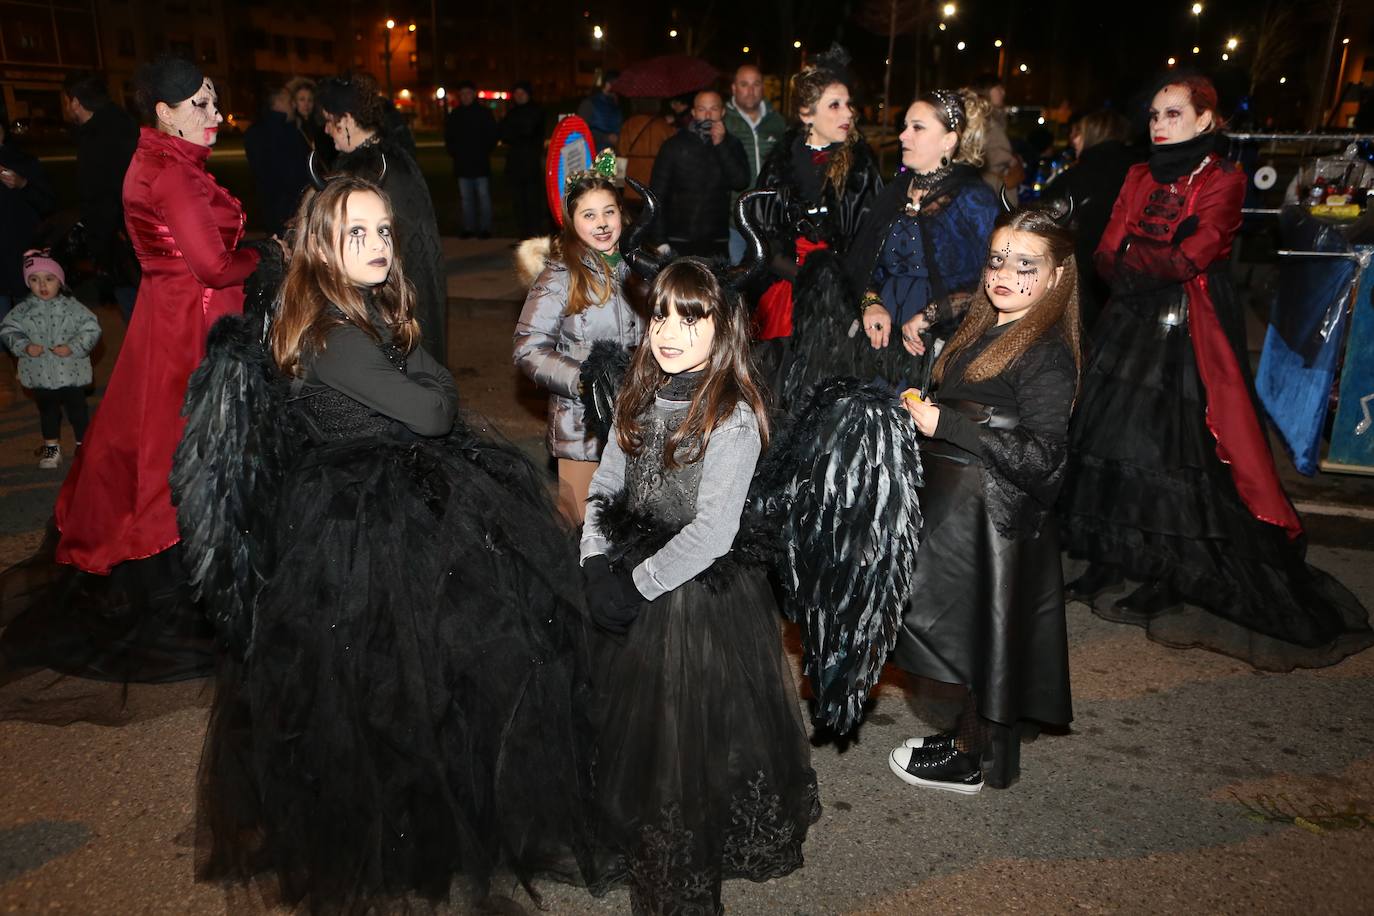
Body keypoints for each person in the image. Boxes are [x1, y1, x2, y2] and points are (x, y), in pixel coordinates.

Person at [193, 176, 593, 913]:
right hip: (360, 522)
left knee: (432, 676)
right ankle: (396, 830)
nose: (377, 245)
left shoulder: (366, 310)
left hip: (397, 492)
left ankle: (427, 811)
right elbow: (434, 408)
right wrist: (422, 384)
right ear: (322, 247)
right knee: (386, 680)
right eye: (356, 234)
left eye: (383, 232)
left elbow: (432, 387)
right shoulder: (332, 334)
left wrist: (422, 382)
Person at [1060, 76, 1373, 671]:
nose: (1159, 124)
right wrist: (1135, 257)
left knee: (1174, 450)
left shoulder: (1224, 178)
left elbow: (1191, 255)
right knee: (1108, 439)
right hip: (1128, 321)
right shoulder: (1135, 174)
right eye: (1154, 114)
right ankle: (1111, 556)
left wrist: (1136, 256)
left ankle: (1168, 570)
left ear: (1205, 120)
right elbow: (1104, 250)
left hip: (1188, 328)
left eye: (1173, 114)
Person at [0, 57, 264, 686]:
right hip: (190, 327)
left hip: (172, 317)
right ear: (164, 113)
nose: (213, 114)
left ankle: (186, 556)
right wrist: (270, 255)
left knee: (159, 440)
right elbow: (214, 266)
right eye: (198, 104)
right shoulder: (172, 174)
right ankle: (179, 577)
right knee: (184, 445)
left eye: (214, 100)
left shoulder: (165, 161)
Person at [581, 258, 819, 914]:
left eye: (692, 318)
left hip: (692, 598)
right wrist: (594, 560)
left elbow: (713, 532)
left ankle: (680, 882)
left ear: (724, 328)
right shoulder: (637, 392)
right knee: (632, 728)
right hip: (629, 567)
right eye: (661, 315)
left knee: (684, 737)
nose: (672, 332)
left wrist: (636, 586)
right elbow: (605, 484)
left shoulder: (731, 416)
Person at [888, 203, 1081, 793]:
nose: (1006, 273)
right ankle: (966, 745)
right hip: (962, 507)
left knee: (978, 638)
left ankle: (970, 758)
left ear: (1056, 277)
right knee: (969, 635)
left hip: (991, 515)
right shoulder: (991, 324)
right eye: (998, 259)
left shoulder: (1045, 352)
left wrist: (945, 424)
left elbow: (1043, 459)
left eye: (1026, 264)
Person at [752, 46, 882, 408]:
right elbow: (763, 230)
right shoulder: (782, 160)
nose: (848, 113)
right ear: (807, 114)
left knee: (829, 391)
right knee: (778, 389)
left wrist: (842, 287)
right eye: (835, 105)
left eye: (848, 104)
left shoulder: (861, 163)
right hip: (786, 287)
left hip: (839, 293)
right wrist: (796, 274)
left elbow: (870, 236)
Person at [847, 88, 1000, 392]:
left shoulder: (973, 199)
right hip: (881, 330)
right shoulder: (893, 192)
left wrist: (931, 315)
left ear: (949, 140)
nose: (903, 136)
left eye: (917, 127)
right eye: (904, 126)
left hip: (940, 336)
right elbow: (863, 263)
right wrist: (871, 302)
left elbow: (991, 278)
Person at [514, 170, 641, 522]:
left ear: (622, 214)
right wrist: (585, 380)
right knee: (582, 526)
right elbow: (529, 348)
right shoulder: (559, 276)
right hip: (581, 428)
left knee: (627, 526)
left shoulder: (640, 268)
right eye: (589, 215)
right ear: (571, 223)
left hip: (635, 423)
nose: (601, 223)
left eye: (608, 212)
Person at [316, 72, 447, 360]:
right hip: (403, 292)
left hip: (388, 298)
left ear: (347, 119)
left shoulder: (368, 171)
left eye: (329, 120)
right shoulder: (391, 157)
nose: (327, 129)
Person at [1042, 110, 1141, 330]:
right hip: (1130, 280)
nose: (1072, 140)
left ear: (1093, 135)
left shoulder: (1076, 178)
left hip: (1081, 279)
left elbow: (1045, 226)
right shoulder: (1141, 172)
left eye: (1078, 134)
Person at [0, 251, 100, 468]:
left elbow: (92, 327)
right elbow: (8, 329)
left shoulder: (72, 307)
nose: (42, 286)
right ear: (28, 283)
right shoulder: (23, 310)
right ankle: (51, 449)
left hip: (71, 371)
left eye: (49, 279)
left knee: (78, 411)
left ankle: (84, 445)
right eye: (34, 280)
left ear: (60, 281)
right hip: (40, 374)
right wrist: (24, 346)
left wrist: (73, 347)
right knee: (48, 413)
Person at [61, 72, 140, 320]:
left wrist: (101, 249)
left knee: (137, 312)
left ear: (75, 101)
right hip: (129, 236)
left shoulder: (98, 137)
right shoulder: (119, 123)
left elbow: (101, 196)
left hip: (121, 242)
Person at [648, 89, 749, 259]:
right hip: (678, 238)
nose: (708, 115)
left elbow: (740, 181)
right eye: (702, 109)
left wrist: (721, 145)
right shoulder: (674, 145)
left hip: (717, 239)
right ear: (694, 112)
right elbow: (657, 194)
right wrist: (660, 240)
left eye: (714, 109)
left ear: (723, 112)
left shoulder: (732, 143)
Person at [724, 64, 787, 262]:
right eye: (744, 84)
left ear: (763, 87)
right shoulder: (723, 121)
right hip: (734, 220)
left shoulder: (777, 121)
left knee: (768, 281)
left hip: (770, 219)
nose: (750, 91)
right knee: (737, 280)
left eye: (756, 84)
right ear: (734, 88)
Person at [0, 115, 56, 320]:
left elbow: (47, 203)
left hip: (21, 255)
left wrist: (23, 184)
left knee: (34, 324)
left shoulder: (24, 161)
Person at [242, 85, 312, 236]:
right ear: (278, 103)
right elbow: (296, 176)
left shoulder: (254, 132)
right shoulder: (286, 133)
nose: (293, 105)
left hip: (270, 210)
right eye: (289, 100)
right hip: (291, 212)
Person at [444, 80, 498, 239]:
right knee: (466, 199)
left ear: (474, 94)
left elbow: (492, 135)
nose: (465, 96)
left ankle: (485, 228)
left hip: (480, 163)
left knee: (483, 198)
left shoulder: (484, 113)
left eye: (468, 93)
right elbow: (449, 137)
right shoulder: (455, 114)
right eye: (462, 94)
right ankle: (468, 228)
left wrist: (484, 151)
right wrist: (454, 153)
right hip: (462, 164)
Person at [500, 80, 548, 239]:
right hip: (515, 163)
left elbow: (529, 132)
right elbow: (504, 133)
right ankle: (523, 234)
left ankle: (534, 234)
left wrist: (516, 133)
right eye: (517, 93)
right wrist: (516, 133)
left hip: (530, 163)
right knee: (518, 202)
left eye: (522, 93)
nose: (519, 96)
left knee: (532, 200)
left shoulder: (536, 110)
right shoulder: (512, 112)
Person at [970, 73, 1020, 205]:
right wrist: (1012, 160)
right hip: (991, 186)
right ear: (985, 92)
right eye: (998, 88)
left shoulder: (996, 118)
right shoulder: (984, 120)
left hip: (996, 183)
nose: (1003, 92)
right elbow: (994, 154)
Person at [578, 73, 622, 151]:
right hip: (597, 153)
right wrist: (605, 138)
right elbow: (580, 132)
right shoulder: (589, 104)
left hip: (614, 152)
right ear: (607, 84)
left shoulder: (617, 104)